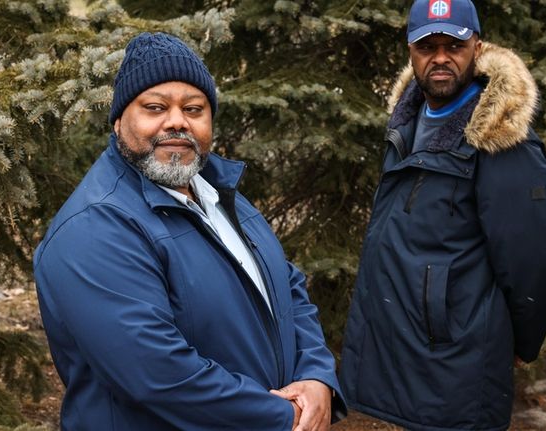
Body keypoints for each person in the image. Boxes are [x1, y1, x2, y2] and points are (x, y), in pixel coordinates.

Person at [33, 32, 346, 431]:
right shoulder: (94, 228)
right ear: (117, 121)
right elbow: (157, 375)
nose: (177, 121)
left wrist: (318, 377)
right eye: (155, 107)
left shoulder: (217, 193)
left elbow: (289, 287)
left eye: (194, 108)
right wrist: (287, 417)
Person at [339, 0, 546, 430]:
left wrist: (521, 340)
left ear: (477, 47)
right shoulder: (406, 124)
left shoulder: (500, 138)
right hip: (413, 355)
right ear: (410, 51)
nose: (441, 57)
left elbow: (538, 254)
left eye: (454, 45)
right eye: (428, 46)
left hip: (459, 362)